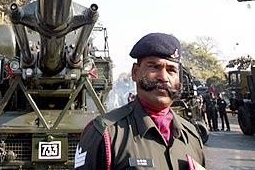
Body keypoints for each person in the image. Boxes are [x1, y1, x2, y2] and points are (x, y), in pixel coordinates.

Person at [75, 32, 205, 169]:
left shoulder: (192, 136)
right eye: (154, 67)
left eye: (171, 70)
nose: (164, 77)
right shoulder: (106, 134)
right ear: (135, 72)